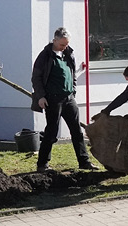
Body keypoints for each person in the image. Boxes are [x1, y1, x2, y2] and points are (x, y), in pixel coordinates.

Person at [31, 27, 97, 172]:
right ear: (54, 40)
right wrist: (41, 96)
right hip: (52, 99)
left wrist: (73, 90)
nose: (64, 47)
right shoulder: (45, 56)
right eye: (62, 44)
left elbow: (72, 73)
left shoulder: (68, 53)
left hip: (69, 98)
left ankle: (84, 161)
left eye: (66, 44)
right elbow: (36, 78)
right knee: (51, 131)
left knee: (77, 131)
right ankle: (42, 164)